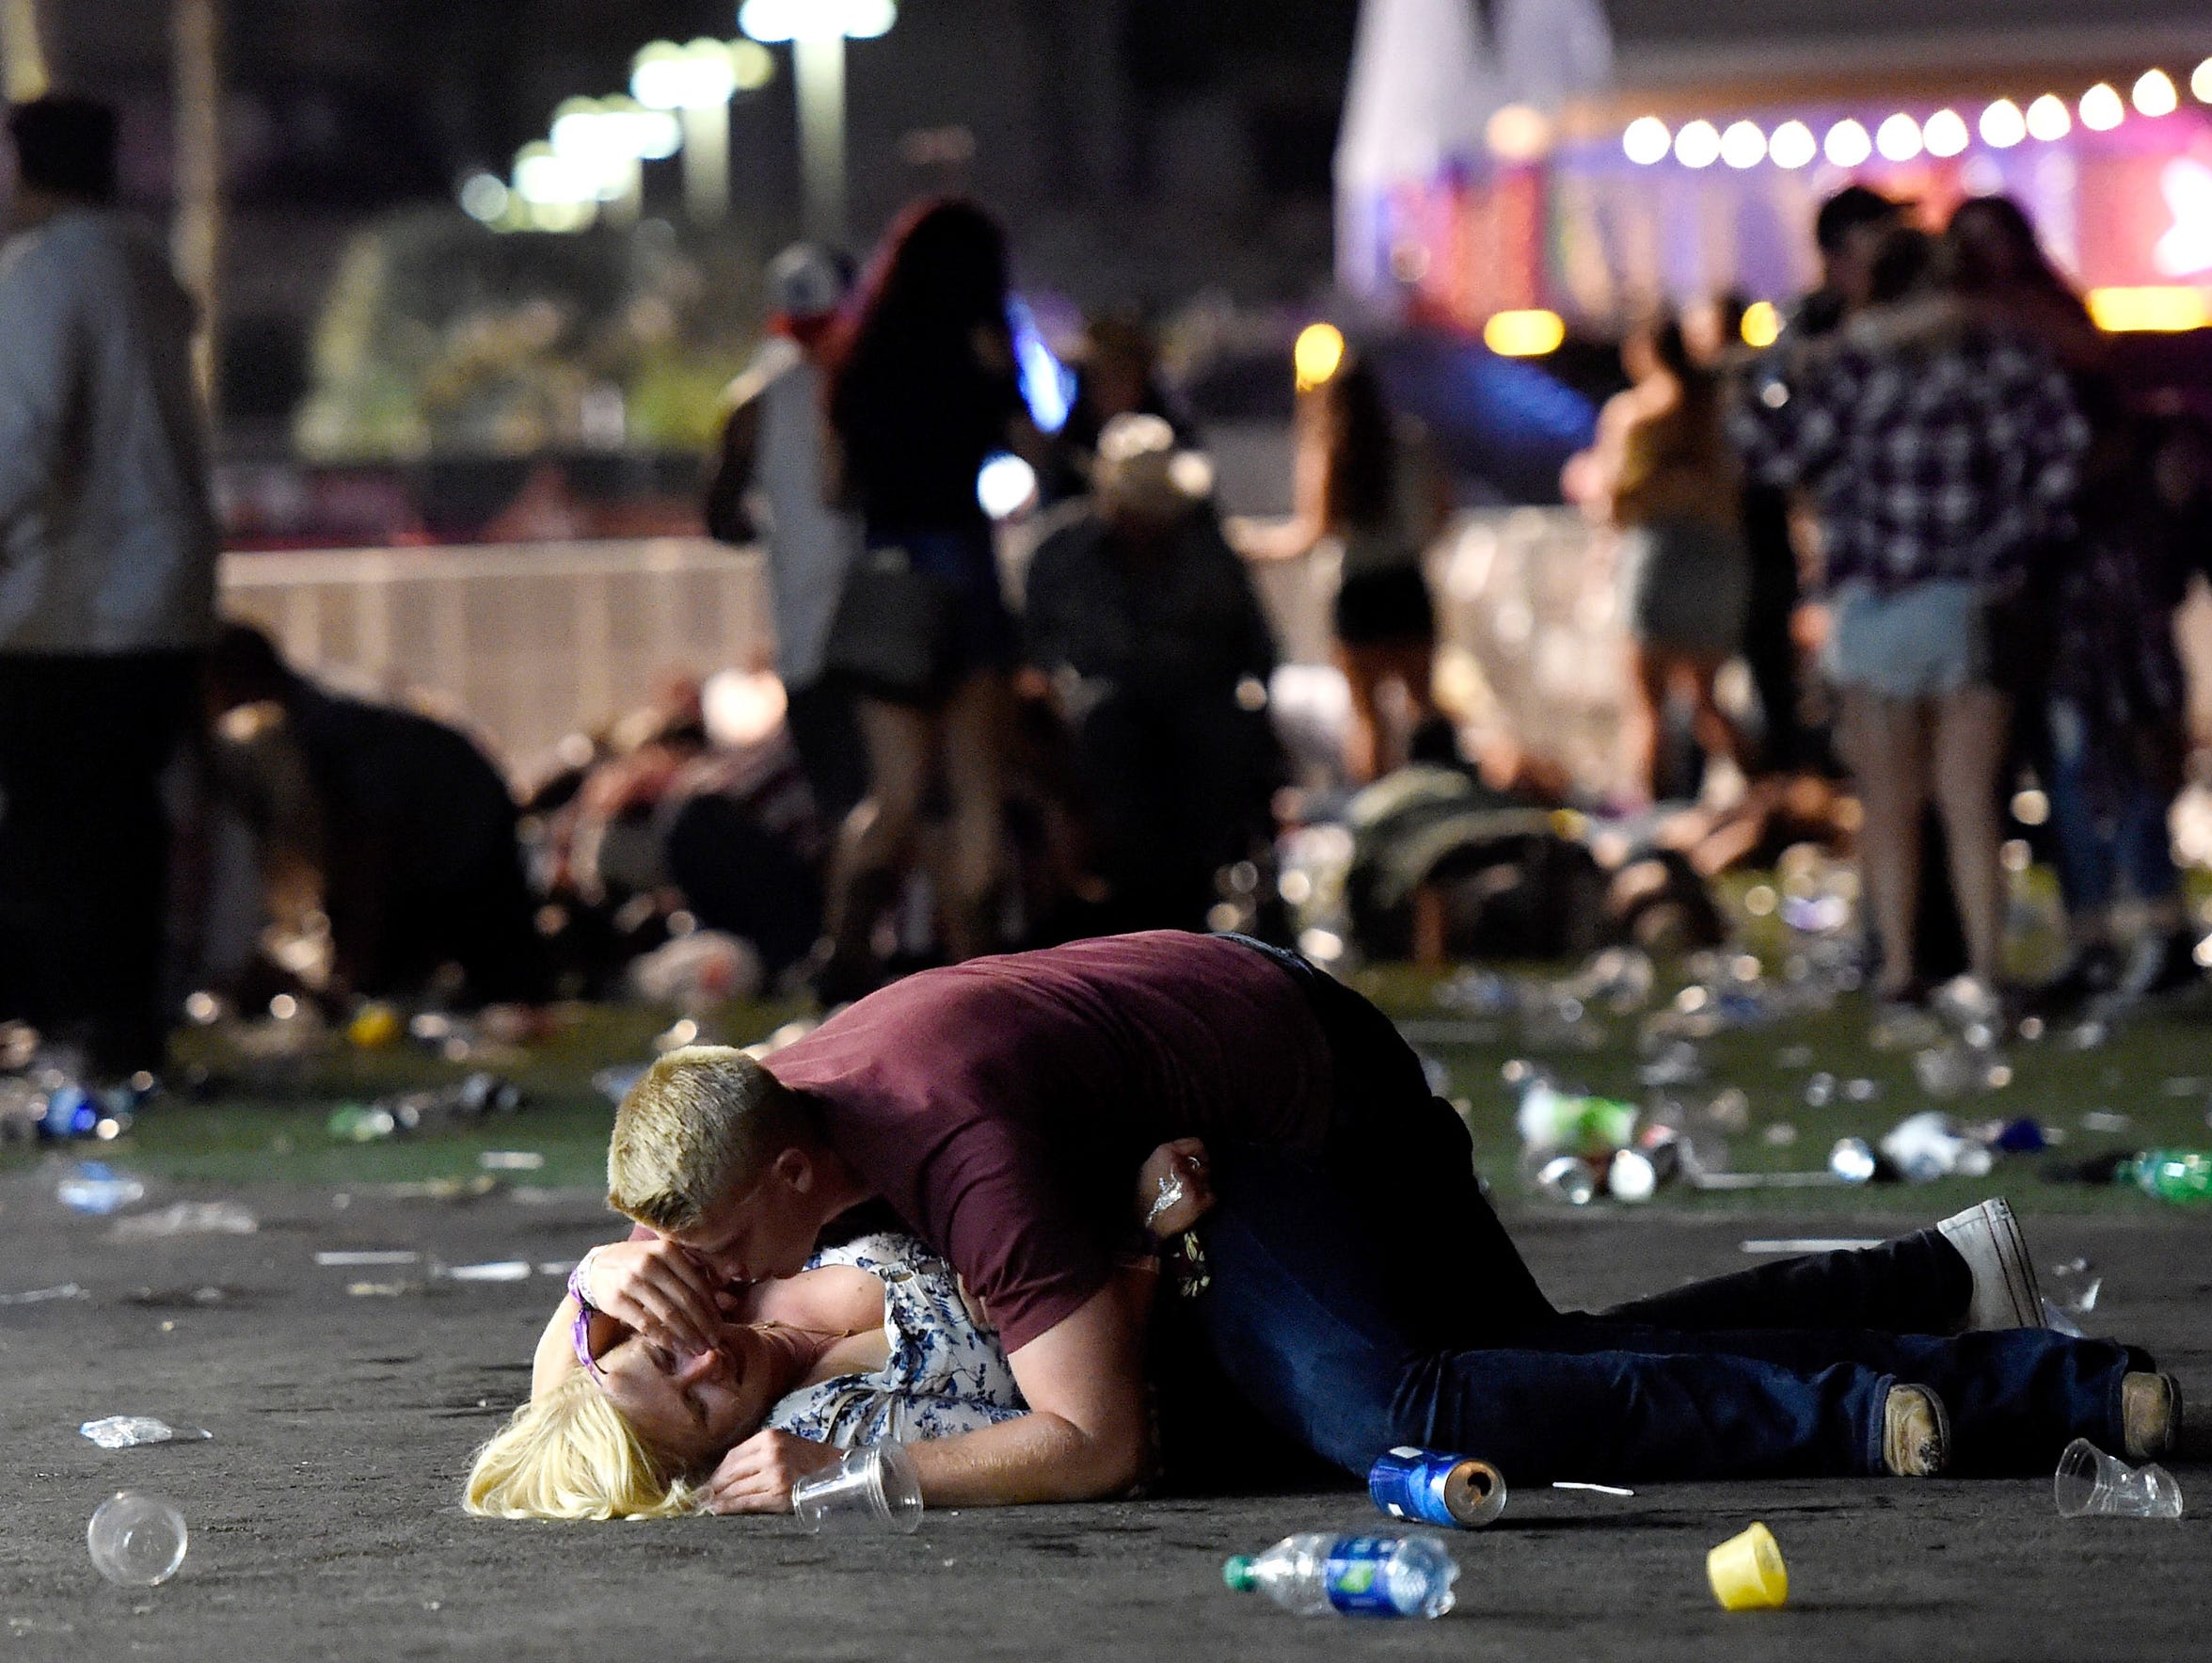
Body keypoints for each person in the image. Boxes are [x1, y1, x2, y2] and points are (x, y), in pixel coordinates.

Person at [571, 931, 2187, 1511]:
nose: (703, 1302)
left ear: (790, 1178)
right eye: (682, 1310)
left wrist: (858, 1481)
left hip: (1296, 1105)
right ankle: (1940, 1287)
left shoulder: (944, 1149)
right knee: (1520, 1364)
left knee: (1400, 1408)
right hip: (1241, 1058)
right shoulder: (762, 1114)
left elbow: (1095, 1438)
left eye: (708, 1262)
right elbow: (596, 1360)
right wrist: (600, 1274)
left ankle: (1901, 1402)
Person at [468, 1139, 1209, 1519]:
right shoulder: (835, 1426)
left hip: (1085, 1157)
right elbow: (1106, 1434)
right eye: (698, 1407)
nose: (707, 1365)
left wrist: (590, 1279)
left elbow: (557, 1397)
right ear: (715, 1457)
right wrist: (1139, 1229)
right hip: (1188, 1282)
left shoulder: (722, 1267)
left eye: (666, 1353)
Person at [1733, 228, 2090, 1011]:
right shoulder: (2000, 358)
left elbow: (1771, 453)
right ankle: (1986, 970)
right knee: (1971, 798)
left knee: (1888, 803)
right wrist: (2008, 550)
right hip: (1967, 601)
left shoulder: (1859, 367)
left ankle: (1898, 968)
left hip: (1873, 603)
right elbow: (2065, 451)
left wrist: (1785, 359)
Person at [0, 95, 219, 1077]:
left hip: (75, 610)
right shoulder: (143, 266)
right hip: (161, 597)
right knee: (122, 826)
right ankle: (124, 1029)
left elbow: (28, 433)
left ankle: (79, 1030)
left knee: (64, 829)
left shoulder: (48, 273)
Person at [817, 200, 1040, 999]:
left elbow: (832, 486)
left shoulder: (863, 357)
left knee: (897, 793)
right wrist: (995, 381)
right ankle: (975, 975)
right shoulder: (981, 350)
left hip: (889, 576)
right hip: (966, 568)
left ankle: (843, 954)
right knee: (977, 788)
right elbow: (1036, 456)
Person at [1022, 415, 1281, 933]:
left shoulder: (1206, 549)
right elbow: (1035, 651)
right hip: (1101, 714)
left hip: (1198, 703)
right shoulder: (1061, 553)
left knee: (1217, 742)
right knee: (1107, 734)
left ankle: (1195, 889)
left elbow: (1256, 644)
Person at [202, 623, 546, 1005]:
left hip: (458, 834)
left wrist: (349, 967)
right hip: (455, 824)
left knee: (495, 977)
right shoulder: (312, 716)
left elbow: (363, 851)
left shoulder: (318, 734)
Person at [705, 243, 868, 832]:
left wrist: (782, 533)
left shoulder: (754, 401)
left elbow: (722, 519)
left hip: (807, 644)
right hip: (885, 644)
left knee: (840, 812)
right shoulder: (877, 385)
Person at [1235, 351, 1452, 784]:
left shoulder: (1331, 451)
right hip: (1406, 584)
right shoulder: (1410, 443)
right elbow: (1441, 515)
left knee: (1368, 720)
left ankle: (1379, 810)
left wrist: (1251, 545)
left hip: (1359, 592)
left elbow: (1310, 534)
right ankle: (1437, 794)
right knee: (1424, 709)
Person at [1563, 316, 1752, 804]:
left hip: (1658, 558)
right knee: (1709, 700)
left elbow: (1615, 500)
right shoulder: (1717, 409)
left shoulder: (1636, 414)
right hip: (1718, 557)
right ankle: (1763, 792)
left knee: (1647, 706)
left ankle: (1652, 821)